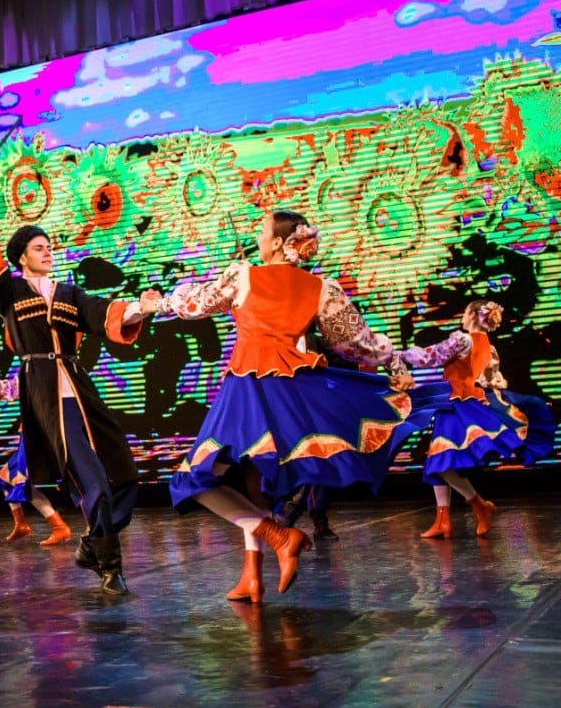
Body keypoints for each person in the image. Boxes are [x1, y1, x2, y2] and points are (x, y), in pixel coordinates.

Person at [148, 210, 412, 603]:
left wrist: (158, 303)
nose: (257, 235)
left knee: (194, 480)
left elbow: (195, 305)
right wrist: (395, 364)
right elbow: (356, 344)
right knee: (253, 481)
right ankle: (251, 576)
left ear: (276, 243)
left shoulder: (243, 276)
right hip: (289, 391)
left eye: (262, 230)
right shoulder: (321, 288)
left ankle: (279, 536)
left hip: (247, 390)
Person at [0, 153, 148, 594]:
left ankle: (93, 543)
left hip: (79, 387)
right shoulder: (8, 292)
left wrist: (142, 308)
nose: (48, 252)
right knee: (92, 481)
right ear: (21, 258)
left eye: (49, 247)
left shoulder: (69, 293)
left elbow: (104, 313)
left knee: (124, 473)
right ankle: (110, 567)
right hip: (45, 392)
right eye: (39, 248)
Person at [400, 299, 555, 538]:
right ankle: (444, 520)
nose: (462, 317)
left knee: (440, 462)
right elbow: (491, 379)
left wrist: (398, 354)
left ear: (473, 315)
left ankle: (478, 505)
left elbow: (430, 357)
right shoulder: (487, 347)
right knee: (437, 462)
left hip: (457, 404)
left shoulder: (463, 340)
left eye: (465, 312)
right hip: (459, 402)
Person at [0, 375, 73, 546]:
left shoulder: (31, 378)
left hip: (34, 438)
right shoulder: (26, 379)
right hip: (27, 435)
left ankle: (59, 527)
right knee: (4, 479)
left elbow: (12, 390)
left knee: (23, 484)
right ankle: (22, 524)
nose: (5, 398)